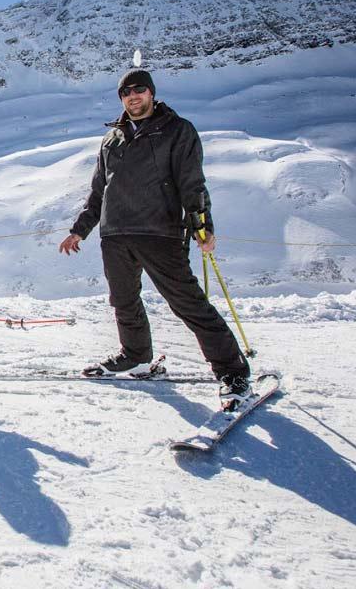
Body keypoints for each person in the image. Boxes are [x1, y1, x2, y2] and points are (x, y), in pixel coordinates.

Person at [58, 68, 252, 410]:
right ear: (121, 98)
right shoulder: (112, 139)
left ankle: (233, 373)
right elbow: (98, 191)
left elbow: (191, 182)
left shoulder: (177, 130)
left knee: (187, 303)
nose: (133, 96)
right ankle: (136, 357)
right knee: (124, 301)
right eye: (126, 92)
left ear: (151, 93)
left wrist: (201, 226)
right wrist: (80, 230)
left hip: (159, 231)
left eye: (139, 90)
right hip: (116, 233)